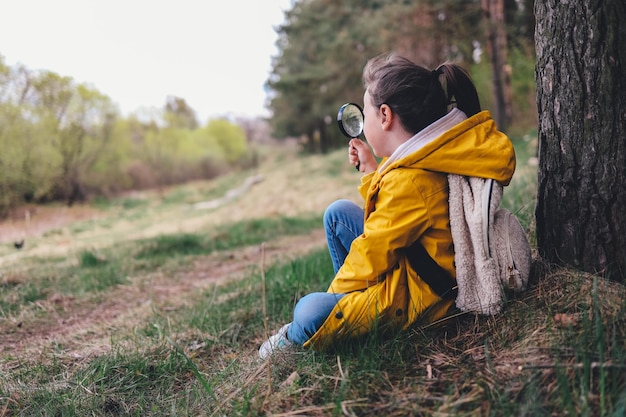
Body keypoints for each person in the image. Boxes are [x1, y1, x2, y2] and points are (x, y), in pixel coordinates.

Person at [259, 53, 516, 359]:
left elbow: (373, 251)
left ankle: (296, 338)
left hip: (418, 300)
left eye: (365, 116)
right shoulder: (430, 154)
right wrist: (371, 171)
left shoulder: (409, 182)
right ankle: (345, 312)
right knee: (338, 215)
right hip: (416, 267)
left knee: (310, 310)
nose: (364, 124)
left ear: (384, 116)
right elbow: (393, 220)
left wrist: (333, 304)